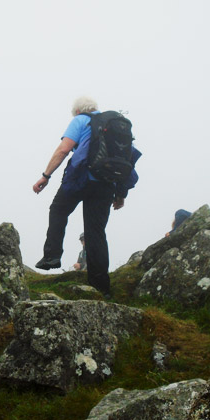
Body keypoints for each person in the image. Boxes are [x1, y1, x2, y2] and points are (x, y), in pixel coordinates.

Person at [32, 96, 140, 298]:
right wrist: (120, 193)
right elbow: (127, 159)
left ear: (78, 111)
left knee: (58, 210)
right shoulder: (114, 125)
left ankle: (52, 256)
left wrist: (45, 176)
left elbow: (64, 149)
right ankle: (101, 288)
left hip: (80, 179)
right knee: (96, 233)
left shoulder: (81, 120)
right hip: (106, 183)